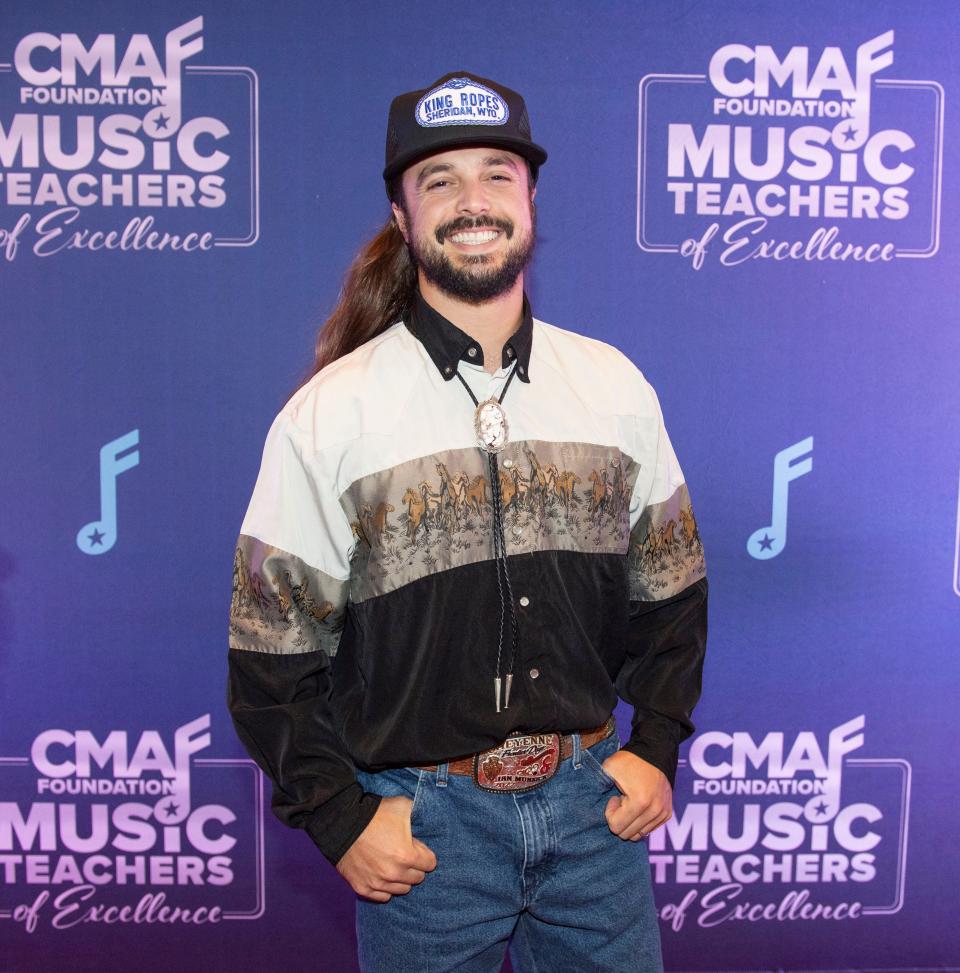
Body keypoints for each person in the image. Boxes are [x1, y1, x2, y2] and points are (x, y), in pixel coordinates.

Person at [228, 71, 707, 973]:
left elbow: (672, 590)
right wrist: (341, 817)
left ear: (531, 200)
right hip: (425, 837)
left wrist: (655, 745)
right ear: (403, 219)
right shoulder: (329, 415)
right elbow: (268, 651)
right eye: (438, 180)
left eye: (496, 172)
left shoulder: (613, 386)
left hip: (596, 815)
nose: (472, 200)